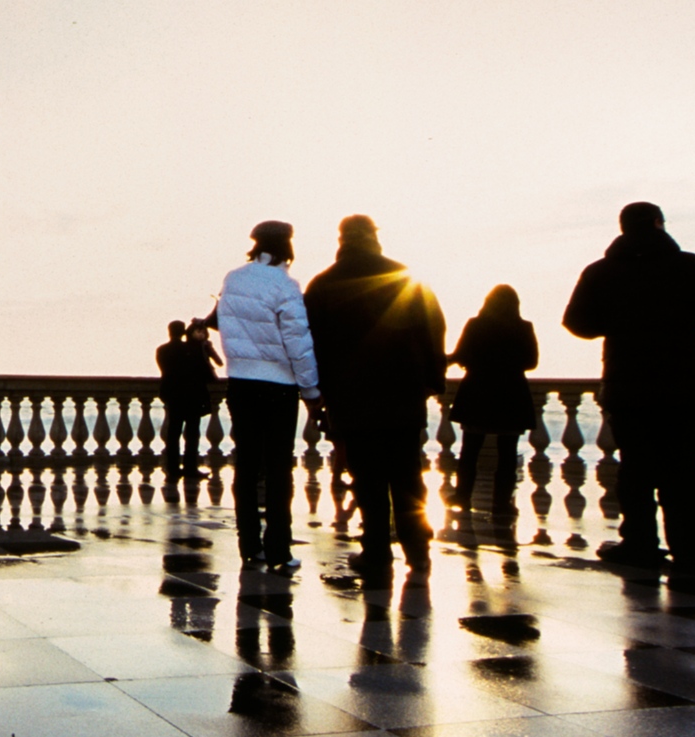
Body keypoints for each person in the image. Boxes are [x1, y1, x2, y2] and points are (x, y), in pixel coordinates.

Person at [563, 201, 695, 584]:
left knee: (637, 470)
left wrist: (617, 322)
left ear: (623, 228)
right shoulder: (691, 266)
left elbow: (576, 322)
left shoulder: (601, 271)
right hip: (686, 384)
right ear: (660, 225)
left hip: (630, 384)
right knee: (687, 471)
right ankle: (692, 552)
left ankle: (640, 544)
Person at [304, 215, 447, 577]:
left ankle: (377, 554)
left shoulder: (323, 284)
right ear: (374, 238)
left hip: (351, 395)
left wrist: (318, 389)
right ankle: (418, 552)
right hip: (403, 391)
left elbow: (311, 341)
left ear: (342, 240)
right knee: (407, 474)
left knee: (367, 477)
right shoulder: (404, 276)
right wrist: (433, 379)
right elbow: (434, 328)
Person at [210, 221, 322, 568]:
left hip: (240, 382)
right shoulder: (286, 285)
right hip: (279, 387)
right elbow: (298, 342)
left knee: (245, 466)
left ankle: (249, 546)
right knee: (278, 469)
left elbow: (225, 325)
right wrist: (311, 389)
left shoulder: (233, 278)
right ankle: (278, 548)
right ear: (287, 247)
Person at [449, 285, 539, 513]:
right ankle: (501, 502)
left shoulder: (476, 325)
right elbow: (531, 362)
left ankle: (462, 496)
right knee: (507, 453)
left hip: (478, 391)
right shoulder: (523, 327)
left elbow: (461, 354)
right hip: (510, 393)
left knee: (470, 450)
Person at [156, 319, 216, 475]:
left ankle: (172, 468)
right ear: (183, 332)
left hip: (172, 394)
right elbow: (203, 372)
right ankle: (190, 467)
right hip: (191, 395)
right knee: (192, 433)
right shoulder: (191, 349)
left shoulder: (161, 350)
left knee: (173, 432)